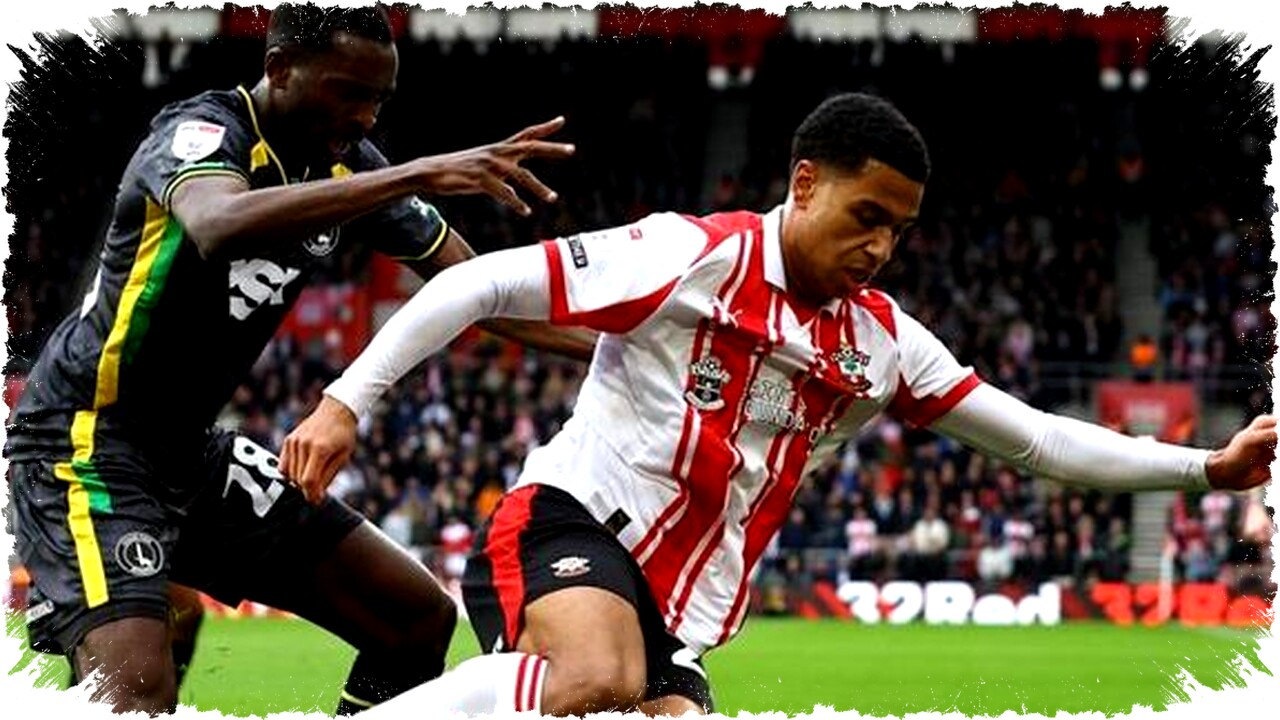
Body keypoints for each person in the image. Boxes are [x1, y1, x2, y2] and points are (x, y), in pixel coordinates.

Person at [281, 92, 1275, 717]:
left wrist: (1206, 469)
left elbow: (1035, 439)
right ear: (804, 184)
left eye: (898, 230)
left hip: (676, 605)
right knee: (594, 679)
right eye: (865, 216)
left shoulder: (881, 342)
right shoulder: (690, 255)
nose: (879, 247)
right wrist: (345, 403)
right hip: (564, 523)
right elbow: (479, 282)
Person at [5, 4, 594, 716]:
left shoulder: (350, 164)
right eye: (349, 92)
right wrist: (414, 174)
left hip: (189, 455)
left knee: (413, 617)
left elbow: (479, 290)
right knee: (135, 694)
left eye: (379, 99)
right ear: (280, 69)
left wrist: (620, 345)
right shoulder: (203, 132)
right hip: (85, 442)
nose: (365, 117)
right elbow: (218, 223)